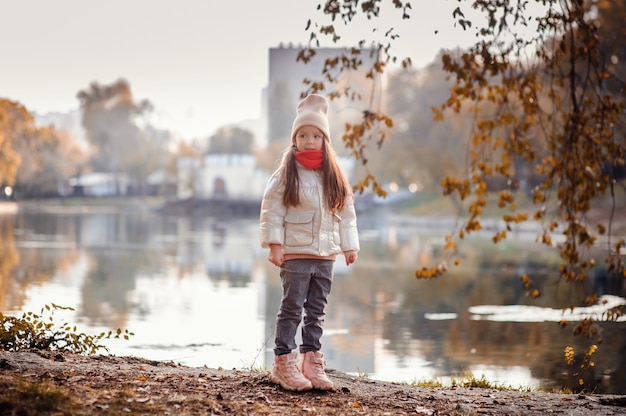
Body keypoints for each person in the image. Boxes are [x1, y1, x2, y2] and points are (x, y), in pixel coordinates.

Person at [260, 94, 359, 391]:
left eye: (316, 135)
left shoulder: (334, 175)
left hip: (325, 255)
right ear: (295, 139)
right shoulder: (286, 174)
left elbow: (347, 211)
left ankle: (311, 361)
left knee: (317, 310)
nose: (309, 140)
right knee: (292, 307)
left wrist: (349, 245)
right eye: (303, 135)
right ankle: (283, 361)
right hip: (296, 253)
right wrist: (274, 244)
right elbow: (271, 210)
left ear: (325, 139)